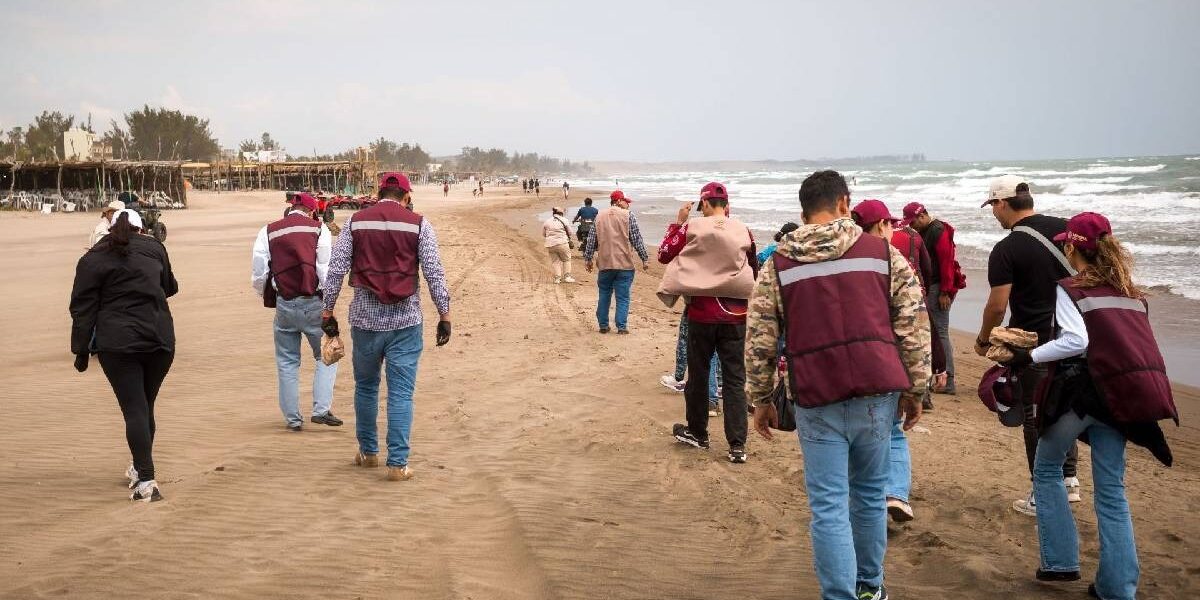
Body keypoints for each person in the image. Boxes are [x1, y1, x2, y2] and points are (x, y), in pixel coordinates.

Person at [746, 170, 930, 600]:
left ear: (803, 213)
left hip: (816, 394)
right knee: (869, 495)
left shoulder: (778, 265)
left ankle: (840, 595)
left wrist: (761, 398)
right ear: (845, 203)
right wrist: (916, 387)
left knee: (828, 504)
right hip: (876, 393)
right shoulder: (883, 253)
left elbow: (759, 339)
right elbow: (912, 323)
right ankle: (870, 586)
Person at [998, 212, 1177, 599]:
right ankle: (1118, 588)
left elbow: (1076, 341)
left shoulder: (1071, 288)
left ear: (1071, 248)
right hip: (1118, 399)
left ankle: (1060, 562)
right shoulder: (1131, 293)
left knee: (1047, 468)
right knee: (1112, 491)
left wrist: (1029, 356)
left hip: (1079, 397)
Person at [320, 172, 452, 482]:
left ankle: (368, 453)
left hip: (365, 322)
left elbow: (336, 269)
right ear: (407, 197)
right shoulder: (419, 224)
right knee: (401, 393)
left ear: (379, 194)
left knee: (366, 388)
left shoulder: (355, 223)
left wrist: (328, 311)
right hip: (405, 323)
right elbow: (434, 273)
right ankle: (397, 464)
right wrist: (444, 314)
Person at [976, 175, 1081, 515]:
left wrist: (984, 339)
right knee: (1067, 408)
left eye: (993, 206)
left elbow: (997, 305)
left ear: (1002, 203)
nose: (994, 213)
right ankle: (1069, 480)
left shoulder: (1006, 249)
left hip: (1035, 343)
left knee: (1036, 417)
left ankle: (1043, 492)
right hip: (1078, 337)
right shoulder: (1067, 229)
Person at [70, 208, 179, 502]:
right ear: (140, 229)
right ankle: (140, 469)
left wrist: (81, 351)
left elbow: (82, 308)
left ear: (109, 228)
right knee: (144, 406)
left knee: (135, 409)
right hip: (159, 338)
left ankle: (146, 480)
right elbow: (170, 287)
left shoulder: (93, 258)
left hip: (118, 343)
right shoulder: (155, 248)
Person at [851, 199, 942, 523]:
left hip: (851, 365)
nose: (893, 229)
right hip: (888, 363)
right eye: (889, 224)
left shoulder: (846, 262)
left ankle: (866, 499)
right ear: (881, 226)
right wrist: (918, 386)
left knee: (858, 436)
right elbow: (913, 328)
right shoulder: (892, 262)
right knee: (893, 431)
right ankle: (895, 494)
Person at [657, 182, 758, 463]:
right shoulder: (744, 229)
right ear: (727, 205)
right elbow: (753, 266)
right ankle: (737, 446)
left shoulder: (692, 227)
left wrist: (678, 223)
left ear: (703, 204)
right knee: (735, 379)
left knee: (699, 375)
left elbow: (664, 254)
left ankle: (698, 433)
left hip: (702, 313)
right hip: (735, 315)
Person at [251, 192, 341, 431]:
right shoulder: (319, 230)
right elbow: (324, 270)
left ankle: (292, 419)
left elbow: (259, 271)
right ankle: (321, 410)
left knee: (287, 361)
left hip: (284, 303)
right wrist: (329, 305)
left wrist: (266, 294)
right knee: (327, 355)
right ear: (312, 211)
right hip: (313, 303)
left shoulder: (268, 231)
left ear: (291, 209)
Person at [901, 201, 964, 395]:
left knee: (940, 332)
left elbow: (947, 262)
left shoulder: (938, 230)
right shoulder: (928, 230)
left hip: (939, 288)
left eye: (913, 222)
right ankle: (939, 378)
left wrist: (945, 292)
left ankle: (948, 381)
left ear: (922, 216)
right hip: (935, 287)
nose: (912, 226)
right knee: (934, 331)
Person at [583, 190, 649, 333]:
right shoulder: (628, 215)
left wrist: (588, 259)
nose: (628, 205)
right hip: (624, 264)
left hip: (605, 263)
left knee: (604, 294)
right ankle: (621, 326)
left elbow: (591, 240)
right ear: (618, 201)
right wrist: (644, 258)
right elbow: (636, 239)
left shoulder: (599, 215)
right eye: (626, 201)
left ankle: (603, 325)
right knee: (623, 297)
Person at [542, 207, 576, 283]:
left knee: (555, 261)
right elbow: (570, 232)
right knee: (566, 259)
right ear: (561, 214)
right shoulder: (564, 220)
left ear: (553, 213)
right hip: (562, 243)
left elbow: (544, 234)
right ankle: (567, 277)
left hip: (550, 244)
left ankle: (557, 278)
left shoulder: (547, 221)